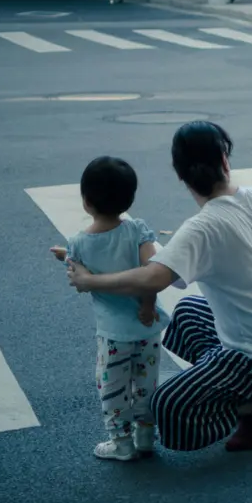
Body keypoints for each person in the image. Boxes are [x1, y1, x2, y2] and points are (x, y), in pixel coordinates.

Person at [65, 123, 252, 454]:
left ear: (181, 176)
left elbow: (152, 279)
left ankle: (251, 408)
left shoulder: (201, 229)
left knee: (167, 408)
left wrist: (89, 281)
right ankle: (242, 391)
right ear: (225, 161)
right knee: (188, 313)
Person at [50, 157, 170, 462]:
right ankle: (146, 435)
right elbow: (151, 269)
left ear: (86, 201)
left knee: (113, 387)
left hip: (113, 334)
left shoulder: (79, 243)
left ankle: (121, 442)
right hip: (147, 327)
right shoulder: (137, 230)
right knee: (146, 383)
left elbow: (79, 274)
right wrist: (147, 305)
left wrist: (66, 255)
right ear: (129, 199)